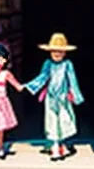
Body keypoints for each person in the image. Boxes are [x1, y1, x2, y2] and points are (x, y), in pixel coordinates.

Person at [23, 33, 84, 161]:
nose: (57, 54)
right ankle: (55, 146)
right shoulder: (48, 64)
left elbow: (72, 80)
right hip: (51, 98)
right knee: (51, 121)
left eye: (60, 51)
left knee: (64, 120)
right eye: (54, 51)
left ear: (65, 53)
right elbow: (43, 77)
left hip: (63, 98)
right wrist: (29, 86)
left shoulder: (67, 64)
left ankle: (61, 144)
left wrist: (76, 96)